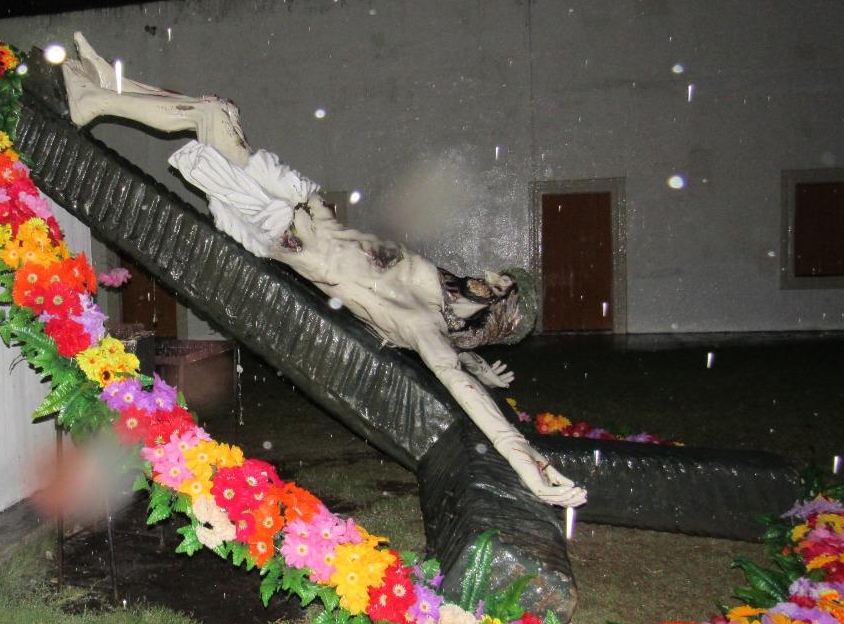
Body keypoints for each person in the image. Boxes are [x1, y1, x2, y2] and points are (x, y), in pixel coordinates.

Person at [61, 33, 586, 508]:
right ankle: (109, 84)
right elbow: (463, 367)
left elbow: (457, 383)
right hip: (302, 206)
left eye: (503, 288)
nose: (493, 277)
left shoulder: (424, 322)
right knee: (216, 113)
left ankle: (98, 98)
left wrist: (529, 464)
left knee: (214, 116)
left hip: (287, 226)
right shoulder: (441, 291)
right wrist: (479, 365)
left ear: (498, 314)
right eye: (503, 274)